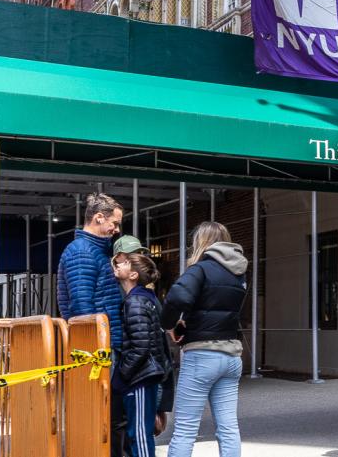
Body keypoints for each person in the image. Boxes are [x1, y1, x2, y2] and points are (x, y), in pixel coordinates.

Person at [161, 221, 248, 457]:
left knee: (186, 428)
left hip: (202, 355)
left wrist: (168, 324)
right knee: (229, 427)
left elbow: (176, 297)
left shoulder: (200, 269)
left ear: (202, 242)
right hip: (232, 357)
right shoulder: (239, 274)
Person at [58, 193, 125, 456]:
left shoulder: (90, 251)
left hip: (103, 345)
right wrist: (96, 348)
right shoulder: (83, 252)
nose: (117, 230)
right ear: (99, 218)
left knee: (107, 412)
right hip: (99, 348)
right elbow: (81, 304)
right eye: (115, 223)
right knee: (100, 412)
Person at [115, 251, 171, 457]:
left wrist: (122, 375)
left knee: (138, 434)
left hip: (139, 377)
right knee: (140, 432)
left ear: (133, 275)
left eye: (126, 263)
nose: (119, 265)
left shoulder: (135, 302)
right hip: (145, 375)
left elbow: (140, 346)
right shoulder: (144, 298)